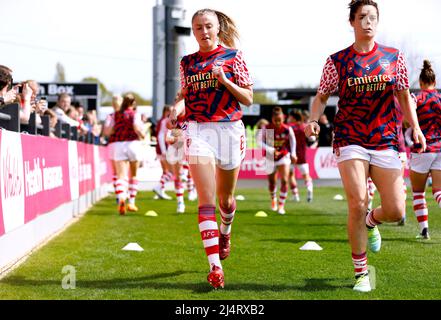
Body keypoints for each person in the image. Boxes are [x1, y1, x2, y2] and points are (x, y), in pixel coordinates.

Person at [304, 0, 426, 293]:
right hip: (350, 138)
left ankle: (372, 221)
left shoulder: (393, 58)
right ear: (352, 22)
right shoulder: (338, 61)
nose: (368, 22)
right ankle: (361, 273)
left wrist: (416, 127)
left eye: (372, 17)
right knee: (357, 201)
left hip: (386, 138)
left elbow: (403, 96)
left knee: (396, 210)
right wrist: (312, 119)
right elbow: (322, 96)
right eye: (362, 17)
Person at [170, 8, 253, 289]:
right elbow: (185, 96)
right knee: (205, 200)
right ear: (193, 31)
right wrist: (176, 109)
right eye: (197, 27)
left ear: (217, 28)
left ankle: (225, 231)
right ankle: (215, 268)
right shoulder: (187, 63)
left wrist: (225, 81)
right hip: (197, 129)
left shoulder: (233, 57)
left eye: (208, 26)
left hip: (229, 129)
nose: (203, 32)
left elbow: (249, 98)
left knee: (225, 201)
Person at [408, 60, 441, 240]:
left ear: (420, 83)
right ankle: (423, 230)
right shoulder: (440, 98)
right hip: (440, 148)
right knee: (438, 191)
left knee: (419, 192)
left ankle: (424, 230)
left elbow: (408, 119)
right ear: (434, 82)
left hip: (422, 149)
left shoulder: (416, 98)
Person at [110, 93, 145, 215]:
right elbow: (136, 127)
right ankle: (132, 202)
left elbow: (109, 130)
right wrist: (142, 134)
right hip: (133, 144)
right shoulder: (135, 114)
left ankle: (121, 198)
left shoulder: (115, 115)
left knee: (121, 176)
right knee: (133, 175)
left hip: (119, 144)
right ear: (133, 103)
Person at [260, 107, 296, 214]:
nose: (277, 122)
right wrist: (270, 149)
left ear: (283, 118)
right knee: (272, 181)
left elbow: (292, 141)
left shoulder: (287, 129)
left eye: (279, 120)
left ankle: (281, 206)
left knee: (284, 180)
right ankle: (273, 200)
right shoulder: (266, 128)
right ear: (272, 119)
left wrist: (293, 153)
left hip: (283, 155)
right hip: (270, 157)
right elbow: (259, 142)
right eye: (275, 120)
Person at [287, 109, 313, 202]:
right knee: (306, 175)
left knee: (291, 175)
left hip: (290, 155)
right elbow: (312, 138)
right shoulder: (304, 126)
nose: (288, 119)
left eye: (289, 117)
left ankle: (295, 195)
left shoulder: (289, 127)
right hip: (302, 155)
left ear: (293, 117)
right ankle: (309, 189)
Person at [102, 94, 123, 201]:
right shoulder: (127, 115)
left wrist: (113, 127)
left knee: (116, 172)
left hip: (113, 144)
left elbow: (106, 132)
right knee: (124, 171)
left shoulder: (110, 116)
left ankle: (119, 194)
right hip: (125, 144)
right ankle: (124, 193)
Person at [152, 105, 173, 200]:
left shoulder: (162, 121)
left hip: (161, 148)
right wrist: (164, 150)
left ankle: (160, 190)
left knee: (165, 171)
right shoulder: (165, 121)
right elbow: (161, 136)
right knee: (170, 171)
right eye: (170, 111)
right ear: (165, 112)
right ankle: (159, 187)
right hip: (163, 149)